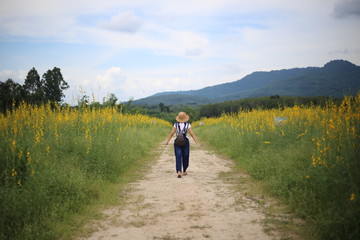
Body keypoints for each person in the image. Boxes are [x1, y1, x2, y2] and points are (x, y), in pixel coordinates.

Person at [163, 112, 201, 178]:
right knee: (186, 156)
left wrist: (167, 142)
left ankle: (178, 171)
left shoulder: (175, 124)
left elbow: (171, 133)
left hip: (177, 141)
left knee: (178, 155)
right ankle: (184, 170)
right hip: (185, 141)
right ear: (185, 118)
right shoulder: (188, 124)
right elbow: (192, 134)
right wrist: (197, 143)